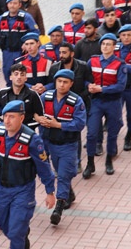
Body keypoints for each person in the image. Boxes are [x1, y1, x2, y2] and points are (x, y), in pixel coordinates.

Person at [0, 100, 56, 249]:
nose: (7, 120)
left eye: (12, 116)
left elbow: (44, 167)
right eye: (5, 116)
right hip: (3, 189)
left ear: (22, 118)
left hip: (23, 191)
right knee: (4, 224)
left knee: (15, 232)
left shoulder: (32, 140)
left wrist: (50, 191)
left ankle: (20, 236)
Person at [35, 69, 86, 225]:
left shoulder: (77, 101)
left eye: (65, 82)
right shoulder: (45, 97)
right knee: (52, 172)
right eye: (59, 81)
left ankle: (58, 208)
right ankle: (68, 193)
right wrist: (40, 119)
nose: (62, 85)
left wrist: (58, 124)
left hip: (67, 145)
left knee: (63, 175)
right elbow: (34, 113)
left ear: (71, 84)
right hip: (46, 142)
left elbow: (79, 123)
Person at [83, 33, 127, 178]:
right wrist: (89, 85)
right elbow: (85, 79)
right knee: (91, 133)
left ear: (114, 47)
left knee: (112, 133)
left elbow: (121, 86)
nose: (105, 47)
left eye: (108, 44)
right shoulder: (93, 61)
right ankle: (90, 163)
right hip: (96, 101)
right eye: (103, 44)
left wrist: (102, 89)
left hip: (113, 102)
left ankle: (109, 161)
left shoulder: (120, 64)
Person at [45, 42, 93, 172]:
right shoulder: (55, 67)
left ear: (72, 54)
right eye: (60, 52)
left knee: (75, 134)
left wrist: (79, 97)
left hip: (79, 101)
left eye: (64, 52)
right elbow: (50, 84)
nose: (61, 55)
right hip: (59, 104)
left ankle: (77, 161)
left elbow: (88, 82)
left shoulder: (82, 66)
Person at [0, 0, 39, 85]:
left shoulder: (26, 17)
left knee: (21, 74)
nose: (12, 5)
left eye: (15, 3)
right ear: (7, 5)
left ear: (19, 5)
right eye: (10, 3)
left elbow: (35, 32)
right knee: (8, 73)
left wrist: (27, 44)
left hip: (21, 53)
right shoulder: (2, 18)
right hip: (7, 53)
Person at [0, 63, 44, 130]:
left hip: (26, 132)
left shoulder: (33, 95)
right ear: (10, 77)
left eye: (22, 74)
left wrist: (25, 127)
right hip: (6, 131)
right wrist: (3, 124)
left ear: (25, 78)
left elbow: (41, 116)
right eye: (16, 74)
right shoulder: (2, 93)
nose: (19, 77)